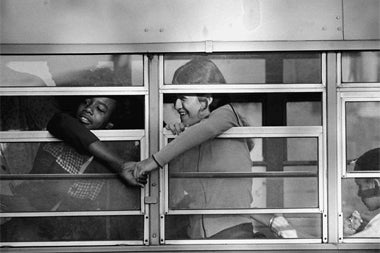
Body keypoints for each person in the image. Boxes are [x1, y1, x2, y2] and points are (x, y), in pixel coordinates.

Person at [130, 58, 297, 239]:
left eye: (182, 98)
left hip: (231, 233)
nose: (176, 105)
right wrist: (173, 139)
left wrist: (153, 160)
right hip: (196, 235)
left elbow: (208, 128)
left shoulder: (227, 114)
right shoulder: (193, 138)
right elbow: (176, 192)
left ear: (205, 101)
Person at [0, 96, 146, 241]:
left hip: (63, 231)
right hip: (26, 220)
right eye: (86, 102)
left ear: (109, 125)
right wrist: (120, 164)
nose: (89, 109)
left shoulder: (112, 152)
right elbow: (62, 121)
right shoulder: (62, 127)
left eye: (100, 109)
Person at [343, 148, 380, 237]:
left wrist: (344, 236)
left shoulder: (376, 228)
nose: (358, 193)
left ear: (375, 184)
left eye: (360, 186)